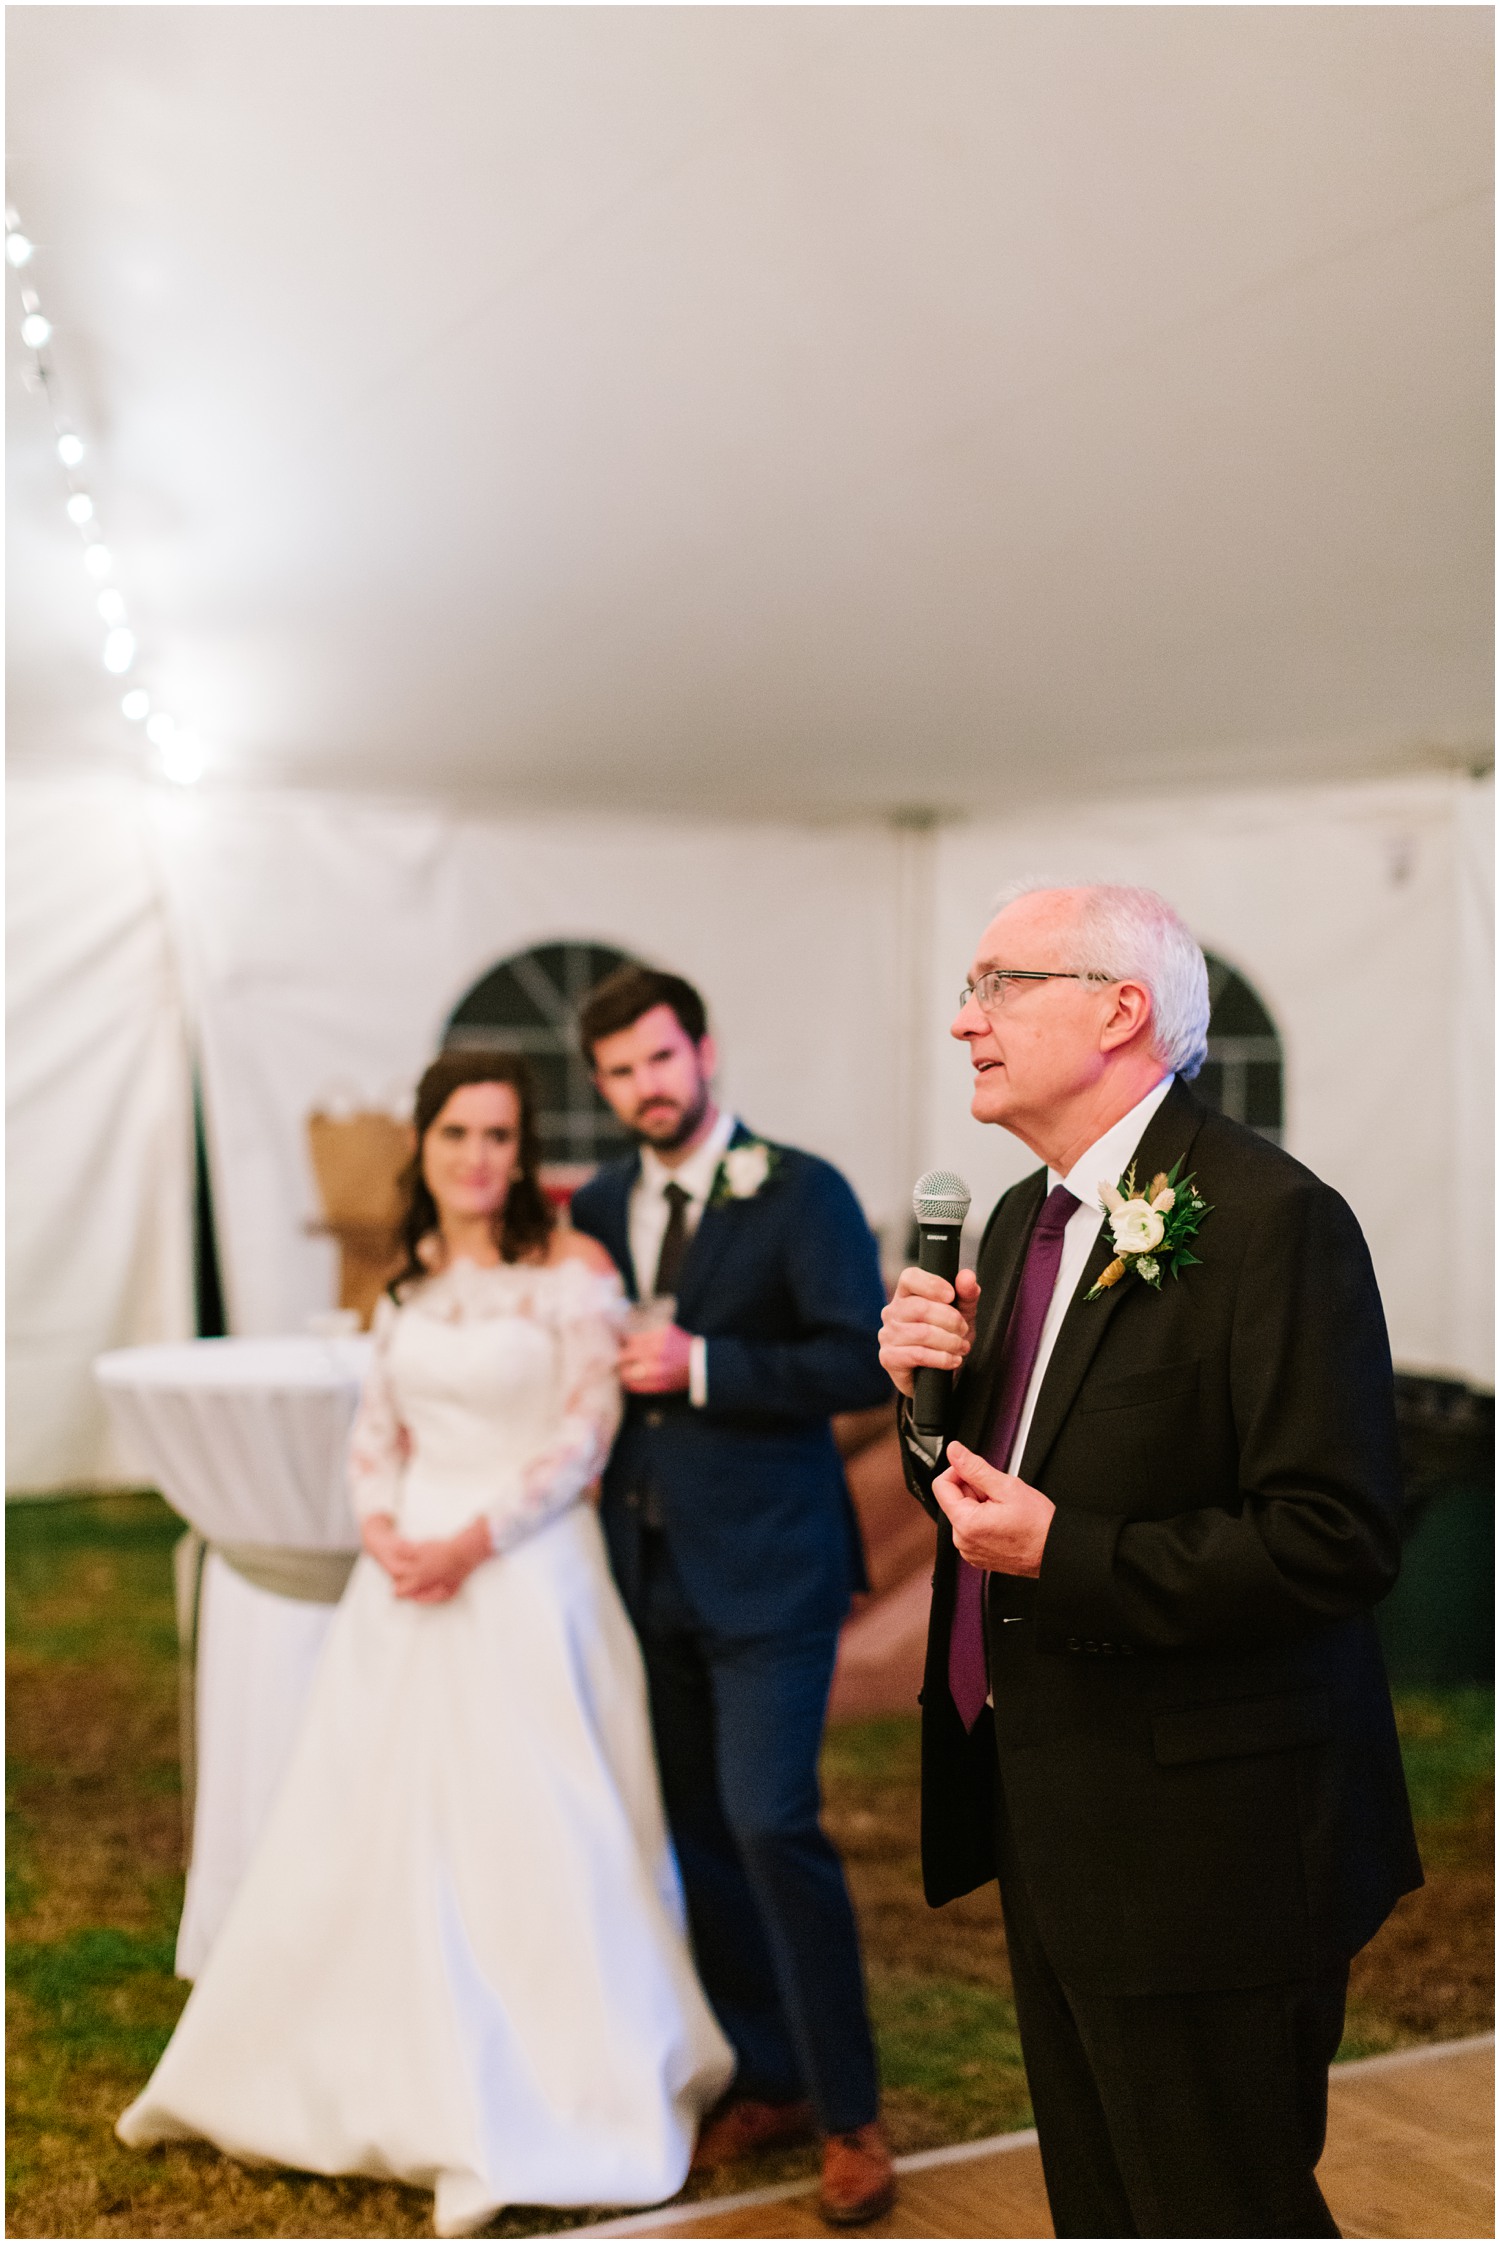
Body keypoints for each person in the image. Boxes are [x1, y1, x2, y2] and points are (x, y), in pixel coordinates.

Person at [878, 882, 1421, 2241]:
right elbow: (977, 1500)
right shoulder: (1017, 1222)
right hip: (1053, 1804)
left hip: (1210, 1843)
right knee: (1107, 2209)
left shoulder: (1271, 1222)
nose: (964, 1021)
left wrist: (1073, 1552)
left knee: (1216, 2208)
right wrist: (918, 1401)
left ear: (1120, 1011)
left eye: (1001, 984)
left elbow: (1338, 1537)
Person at [118, 1049, 733, 2238]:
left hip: (529, 1574)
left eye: (499, 1136)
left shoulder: (573, 1272)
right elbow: (379, 1420)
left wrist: (471, 1541)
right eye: (458, 1134)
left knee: (537, 1824)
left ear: (522, 1153)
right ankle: (350, 2064)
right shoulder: (405, 1283)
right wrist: (386, 1529)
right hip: (405, 1584)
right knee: (373, 1823)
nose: (477, 1156)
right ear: (428, 1146)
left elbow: (584, 1434)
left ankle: (560, 2079)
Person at [569, 964, 897, 2227]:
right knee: (696, 1832)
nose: (643, 1089)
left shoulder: (799, 1189)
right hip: (643, 1571)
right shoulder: (597, 1200)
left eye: (659, 1060)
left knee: (771, 1822)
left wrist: (703, 1364)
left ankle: (855, 2114)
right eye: (617, 1074)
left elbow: (853, 1356)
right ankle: (769, 2077)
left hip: (773, 1570)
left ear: (703, 1053)